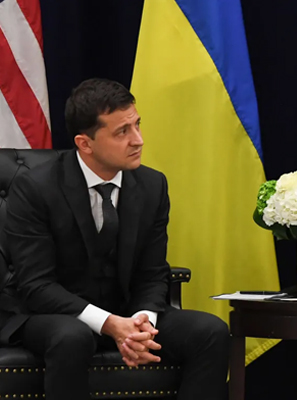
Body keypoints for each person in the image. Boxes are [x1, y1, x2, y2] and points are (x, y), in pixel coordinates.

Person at [0, 78, 230, 400]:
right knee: (72, 337)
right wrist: (109, 324)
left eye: (137, 125)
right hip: (48, 315)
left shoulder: (152, 186)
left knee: (211, 332)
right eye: (122, 132)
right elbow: (37, 286)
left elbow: (152, 272)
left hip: (125, 312)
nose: (138, 140)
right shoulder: (36, 188)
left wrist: (143, 325)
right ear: (85, 143)